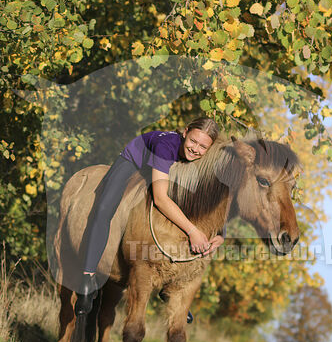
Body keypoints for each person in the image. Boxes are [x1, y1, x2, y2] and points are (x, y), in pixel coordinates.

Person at [75, 117, 225, 317]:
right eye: (193, 141)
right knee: (104, 207)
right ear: (185, 132)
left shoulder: (202, 160)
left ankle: (171, 289)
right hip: (135, 160)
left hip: (166, 168)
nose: (195, 149)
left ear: (210, 148)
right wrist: (193, 231)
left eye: (203, 147)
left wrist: (221, 234)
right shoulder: (166, 146)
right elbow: (161, 199)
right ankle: (87, 278)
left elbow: (210, 203)